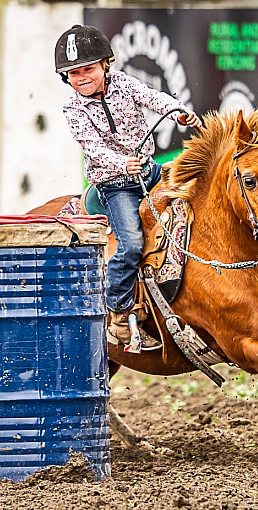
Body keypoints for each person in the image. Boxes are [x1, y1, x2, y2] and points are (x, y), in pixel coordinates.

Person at [54, 24, 202, 351]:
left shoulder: (123, 83)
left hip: (148, 171)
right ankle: (118, 310)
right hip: (115, 185)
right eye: (73, 73)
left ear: (106, 64)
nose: (81, 77)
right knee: (132, 244)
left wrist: (176, 111)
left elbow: (152, 97)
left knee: (198, 194)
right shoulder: (73, 109)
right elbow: (91, 147)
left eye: (88, 69)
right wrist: (122, 164)